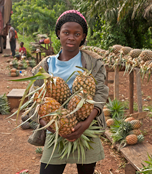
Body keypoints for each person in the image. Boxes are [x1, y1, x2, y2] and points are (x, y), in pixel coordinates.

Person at [30, 10, 109, 174]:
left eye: (77, 33)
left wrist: (86, 123)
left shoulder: (93, 62)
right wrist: (47, 124)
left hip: (87, 126)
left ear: (83, 36)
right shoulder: (46, 64)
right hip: (56, 127)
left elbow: (101, 93)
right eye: (66, 32)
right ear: (59, 33)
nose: (71, 37)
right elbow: (35, 96)